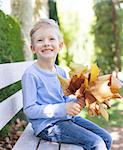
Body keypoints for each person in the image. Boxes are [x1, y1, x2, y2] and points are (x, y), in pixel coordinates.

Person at [21, 18, 112, 150]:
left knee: (106, 138)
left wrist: (81, 99)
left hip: (66, 119)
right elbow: (30, 110)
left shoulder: (61, 72)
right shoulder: (31, 75)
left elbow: (65, 97)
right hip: (48, 126)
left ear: (60, 45)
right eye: (40, 40)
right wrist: (63, 108)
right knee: (96, 144)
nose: (46, 43)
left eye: (51, 39)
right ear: (32, 48)